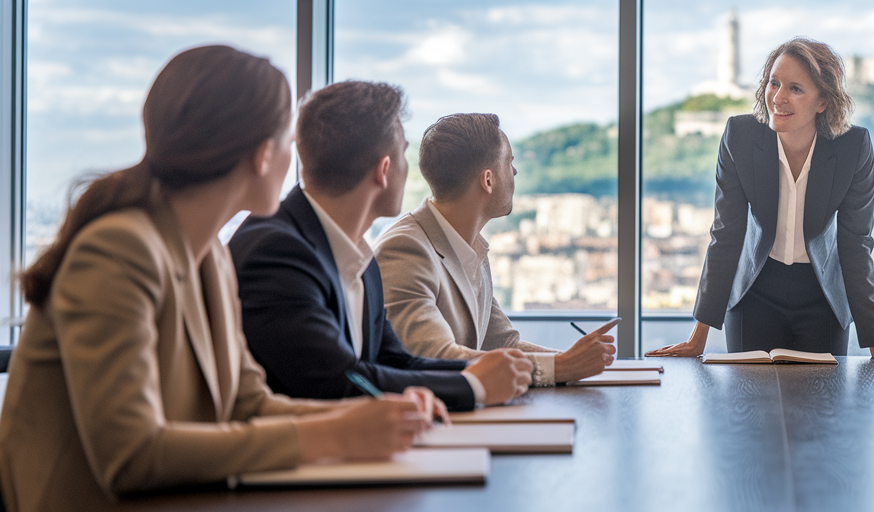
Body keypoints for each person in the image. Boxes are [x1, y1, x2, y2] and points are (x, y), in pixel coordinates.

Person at [0, 46, 438, 511]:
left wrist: (371, 417)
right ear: (261, 154)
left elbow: (248, 402)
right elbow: (131, 455)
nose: (295, 158)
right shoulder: (119, 251)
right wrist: (333, 433)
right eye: (288, 140)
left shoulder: (211, 255)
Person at [231, 81, 533, 412]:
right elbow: (339, 380)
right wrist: (473, 385)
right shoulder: (276, 251)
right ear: (384, 170)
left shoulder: (359, 256)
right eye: (404, 152)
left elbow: (397, 361)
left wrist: (481, 374)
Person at [646, 38, 874, 359]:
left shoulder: (853, 146)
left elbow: (856, 243)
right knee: (749, 403)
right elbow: (726, 235)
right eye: (773, 83)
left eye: (795, 88)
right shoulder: (740, 136)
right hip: (754, 294)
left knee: (824, 405)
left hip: (822, 299)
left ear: (823, 101)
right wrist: (698, 338)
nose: (777, 98)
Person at [376, 113, 616, 384]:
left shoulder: (471, 246)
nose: (514, 172)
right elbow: (435, 356)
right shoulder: (406, 249)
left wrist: (573, 362)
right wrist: (561, 366)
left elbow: (503, 345)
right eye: (509, 162)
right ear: (487, 180)